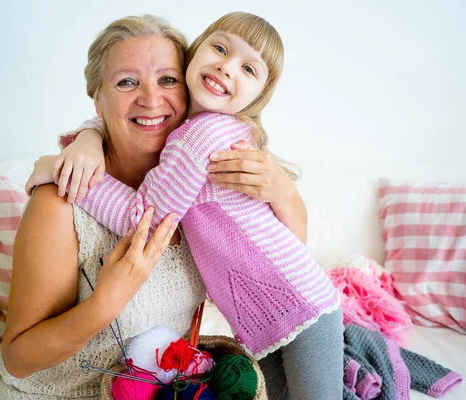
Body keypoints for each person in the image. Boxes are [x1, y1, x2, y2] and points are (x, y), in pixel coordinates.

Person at [27, 12, 343, 400]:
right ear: (196, 53)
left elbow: (141, 218)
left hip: (300, 306)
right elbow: (120, 111)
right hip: (279, 310)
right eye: (221, 48)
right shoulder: (197, 125)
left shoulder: (199, 136)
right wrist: (83, 141)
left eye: (247, 68)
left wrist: (66, 174)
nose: (227, 68)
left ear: (259, 93)